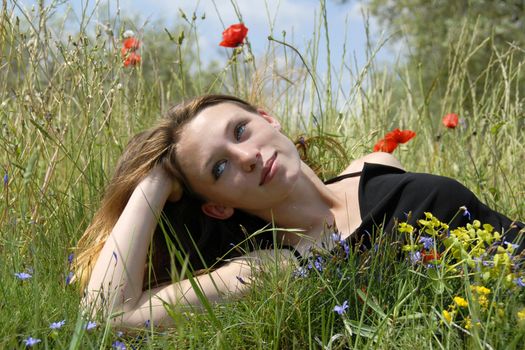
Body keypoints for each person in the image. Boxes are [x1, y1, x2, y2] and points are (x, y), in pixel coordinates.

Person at [74, 94, 524, 328]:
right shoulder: (272, 268)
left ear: (269, 119)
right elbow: (109, 313)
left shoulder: (376, 166)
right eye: (220, 166)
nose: (246, 156)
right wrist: (157, 178)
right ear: (217, 206)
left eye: (241, 129)